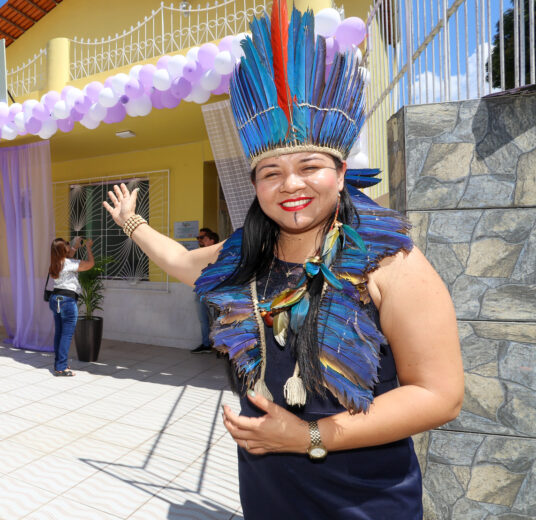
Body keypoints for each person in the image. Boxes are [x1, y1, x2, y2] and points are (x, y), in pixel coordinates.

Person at [102, 2, 463, 517]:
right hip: (267, 494)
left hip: (364, 500)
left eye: (309, 166)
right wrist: (130, 222)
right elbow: (180, 262)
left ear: (341, 173)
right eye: (271, 172)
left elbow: (440, 395)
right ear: (254, 184)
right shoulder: (244, 257)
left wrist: (309, 435)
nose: (290, 184)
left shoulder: (390, 262)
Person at [47, 236, 93, 376]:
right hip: (67, 300)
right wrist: (88, 248)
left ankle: (59, 364)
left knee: (59, 333)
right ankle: (61, 367)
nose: (69, 244)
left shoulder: (55, 263)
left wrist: (75, 246)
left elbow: (68, 256)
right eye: (67, 244)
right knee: (66, 335)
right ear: (63, 250)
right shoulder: (69, 263)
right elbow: (90, 264)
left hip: (56, 299)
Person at [191, 228, 219, 354]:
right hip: (200, 291)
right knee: (203, 319)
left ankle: (220, 346)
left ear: (212, 240)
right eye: (198, 238)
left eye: (202, 238)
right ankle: (206, 344)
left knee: (217, 319)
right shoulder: (200, 253)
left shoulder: (219, 253)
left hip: (213, 291)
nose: (200, 240)